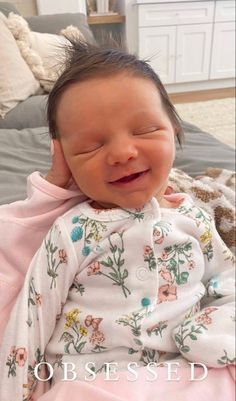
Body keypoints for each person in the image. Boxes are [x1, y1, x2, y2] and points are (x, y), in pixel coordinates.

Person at [0, 41, 234, 401]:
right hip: (92, 383)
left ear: (174, 129)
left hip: (187, 374)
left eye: (143, 131)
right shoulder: (72, 232)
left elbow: (226, 284)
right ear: (65, 159)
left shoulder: (194, 218)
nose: (123, 153)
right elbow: (30, 318)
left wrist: (211, 330)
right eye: (91, 146)